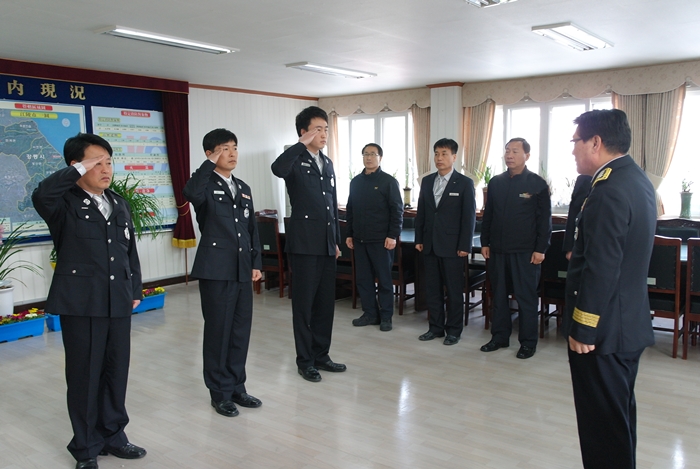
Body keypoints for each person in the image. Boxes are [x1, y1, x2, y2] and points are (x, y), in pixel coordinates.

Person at [32, 133, 146, 469]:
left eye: (109, 162)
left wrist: (135, 289)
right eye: (97, 162)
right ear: (76, 166)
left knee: (115, 371)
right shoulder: (62, 203)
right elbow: (41, 193)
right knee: (85, 376)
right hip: (82, 303)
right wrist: (79, 169)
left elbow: (129, 252)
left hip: (117, 300)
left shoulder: (118, 203)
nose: (106, 169)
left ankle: (114, 435)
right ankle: (85, 447)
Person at [565, 109, 656, 469]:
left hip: (603, 333)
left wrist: (584, 326)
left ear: (596, 142)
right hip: (625, 323)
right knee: (617, 422)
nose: (573, 150)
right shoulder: (633, 178)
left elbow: (602, 266)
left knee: (602, 430)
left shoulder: (609, 190)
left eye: (576, 141)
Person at [183, 128, 263, 418]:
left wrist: (256, 263)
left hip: (241, 268)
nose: (232, 154)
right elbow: (189, 193)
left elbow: (251, 229)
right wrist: (208, 164)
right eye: (224, 148)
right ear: (210, 154)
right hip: (216, 269)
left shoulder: (243, 187)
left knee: (240, 330)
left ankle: (237, 387)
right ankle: (219, 393)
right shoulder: (204, 185)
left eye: (234, 148)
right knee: (219, 331)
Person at [271, 106, 346, 382]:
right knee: (304, 306)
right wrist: (299, 145)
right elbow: (277, 168)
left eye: (326, 129)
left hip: (326, 243)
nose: (324, 134)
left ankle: (321, 355)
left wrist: (335, 240)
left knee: (325, 304)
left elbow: (331, 206)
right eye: (318, 129)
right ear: (304, 132)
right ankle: (305, 361)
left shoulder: (327, 162)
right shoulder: (295, 160)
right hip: (303, 244)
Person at [480, 137, 551, 359]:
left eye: (515, 151)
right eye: (507, 151)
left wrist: (541, 249)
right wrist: (485, 242)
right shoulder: (496, 182)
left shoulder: (537, 184)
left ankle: (528, 343)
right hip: (498, 250)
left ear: (526, 156)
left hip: (525, 252)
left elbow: (544, 221)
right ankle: (499, 337)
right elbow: (488, 215)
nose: (509, 155)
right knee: (499, 296)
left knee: (526, 298)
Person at [415, 138, 476, 345]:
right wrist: (419, 238)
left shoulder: (465, 183)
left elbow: (468, 218)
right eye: (436, 154)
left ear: (454, 157)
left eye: (444, 154)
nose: (439, 158)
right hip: (430, 244)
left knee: (454, 290)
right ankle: (435, 328)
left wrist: (465, 245)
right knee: (432, 289)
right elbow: (422, 213)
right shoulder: (427, 181)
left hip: (453, 246)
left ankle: (454, 330)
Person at [346, 143, 403, 332]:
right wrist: (349, 234)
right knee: (363, 279)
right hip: (360, 239)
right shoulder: (356, 182)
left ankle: (386, 316)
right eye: (365, 154)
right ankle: (370, 314)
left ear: (380, 158)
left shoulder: (388, 181)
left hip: (381, 240)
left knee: (385, 280)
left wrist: (392, 235)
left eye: (373, 154)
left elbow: (397, 210)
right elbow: (351, 209)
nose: (369, 157)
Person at [563, 174, 592, 260]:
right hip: (582, 244)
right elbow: (573, 213)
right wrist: (570, 247)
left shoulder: (618, 176)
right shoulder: (584, 178)